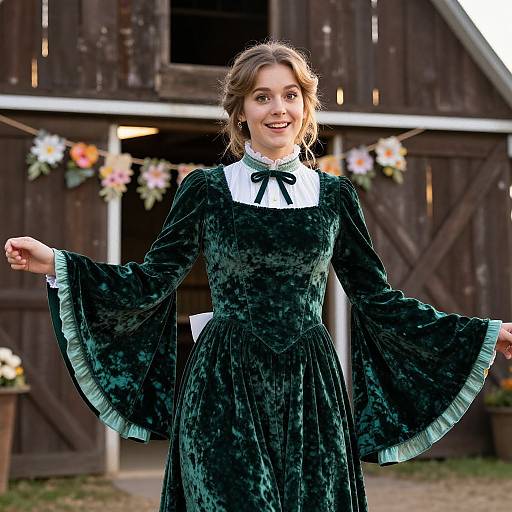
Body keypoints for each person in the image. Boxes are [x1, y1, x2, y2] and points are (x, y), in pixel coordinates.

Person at [4, 40, 512, 512]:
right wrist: (58, 263)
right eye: (262, 96)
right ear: (241, 111)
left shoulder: (335, 197)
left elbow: (378, 299)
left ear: (306, 107)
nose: (278, 109)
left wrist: (482, 333)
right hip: (222, 382)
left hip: (309, 389)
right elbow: (152, 279)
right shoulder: (205, 189)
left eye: (290, 96)